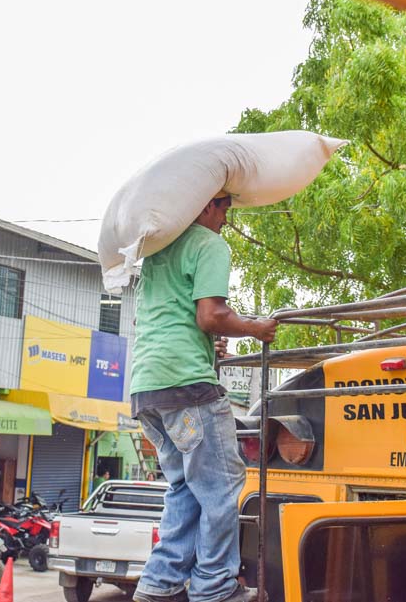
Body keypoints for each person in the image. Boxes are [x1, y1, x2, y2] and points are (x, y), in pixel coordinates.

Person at [130, 192, 278, 602]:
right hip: (187, 385)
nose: (226, 220)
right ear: (205, 205)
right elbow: (209, 314)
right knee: (222, 485)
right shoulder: (208, 244)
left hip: (147, 387)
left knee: (184, 488)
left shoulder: (156, 254)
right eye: (224, 208)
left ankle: (160, 584)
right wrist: (255, 328)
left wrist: (206, 343)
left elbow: (171, 318)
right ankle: (214, 587)